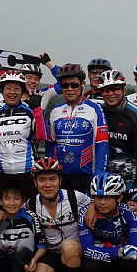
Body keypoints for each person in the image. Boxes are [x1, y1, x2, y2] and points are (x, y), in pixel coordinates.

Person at [25, 157, 89, 272]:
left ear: (60, 180)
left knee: (69, 246)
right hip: (51, 252)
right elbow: (15, 212)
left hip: (74, 250)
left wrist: (93, 207)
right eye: (42, 180)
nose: (47, 184)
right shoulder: (31, 204)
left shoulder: (75, 198)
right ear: (35, 183)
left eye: (52, 179)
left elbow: (98, 204)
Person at [79, 172, 137, 272]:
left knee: (132, 263)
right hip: (100, 259)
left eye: (108, 198)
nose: (102, 202)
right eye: (98, 197)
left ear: (119, 197)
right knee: (90, 266)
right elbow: (86, 249)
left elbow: (135, 247)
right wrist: (117, 253)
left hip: (119, 260)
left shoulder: (130, 212)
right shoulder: (85, 213)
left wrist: (120, 253)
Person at [0, 70, 48, 203]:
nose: (12, 92)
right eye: (8, 88)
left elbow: (42, 136)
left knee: (30, 210)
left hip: (28, 173)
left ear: (22, 91)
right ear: (2, 91)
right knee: (5, 211)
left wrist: (37, 110)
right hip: (3, 174)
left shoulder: (29, 112)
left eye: (16, 89)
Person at [46, 63, 108, 193]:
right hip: (61, 176)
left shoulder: (94, 109)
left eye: (74, 85)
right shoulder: (55, 111)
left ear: (82, 84)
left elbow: (102, 144)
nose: (70, 89)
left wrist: (98, 174)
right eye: (65, 85)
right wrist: (50, 173)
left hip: (85, 176)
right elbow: (50, 145)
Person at [98, 69, 137, 190]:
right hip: (104, 176)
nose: (110, 93)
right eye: (106, 90)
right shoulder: (98, 112)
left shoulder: (135, 115)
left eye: (115, 89)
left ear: (123, 90)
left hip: (130, 178)